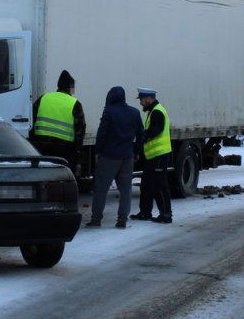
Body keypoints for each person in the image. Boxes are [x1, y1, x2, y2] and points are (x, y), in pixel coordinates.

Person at [87, 86, 144, 228]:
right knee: (126, 190)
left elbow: (102, 133)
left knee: (101, 189)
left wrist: (97, 152)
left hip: (109, 157)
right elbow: (141, 135)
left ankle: (96, 219)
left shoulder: (109, 111)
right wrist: (136, 152)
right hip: (127, 157)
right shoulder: (135, 113)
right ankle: (122, 220)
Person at [131, 88, 173, 224]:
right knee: (147, 184)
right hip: (152, 156)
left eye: (142, 100)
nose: (141, 103)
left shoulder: (157, 112)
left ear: (149, 98)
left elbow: (155, 131)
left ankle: (166, 214)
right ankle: (145, 212)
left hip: (159, 155)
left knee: (159, 185)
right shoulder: (152, 112)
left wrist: (141, 135)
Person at [30, 70, 86, 171]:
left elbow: (31, 121)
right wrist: (76, 151)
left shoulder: (43, 98)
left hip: (41, 147)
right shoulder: (74, 103)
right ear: (70, 87)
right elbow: (80, 131)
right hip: (64, 151)